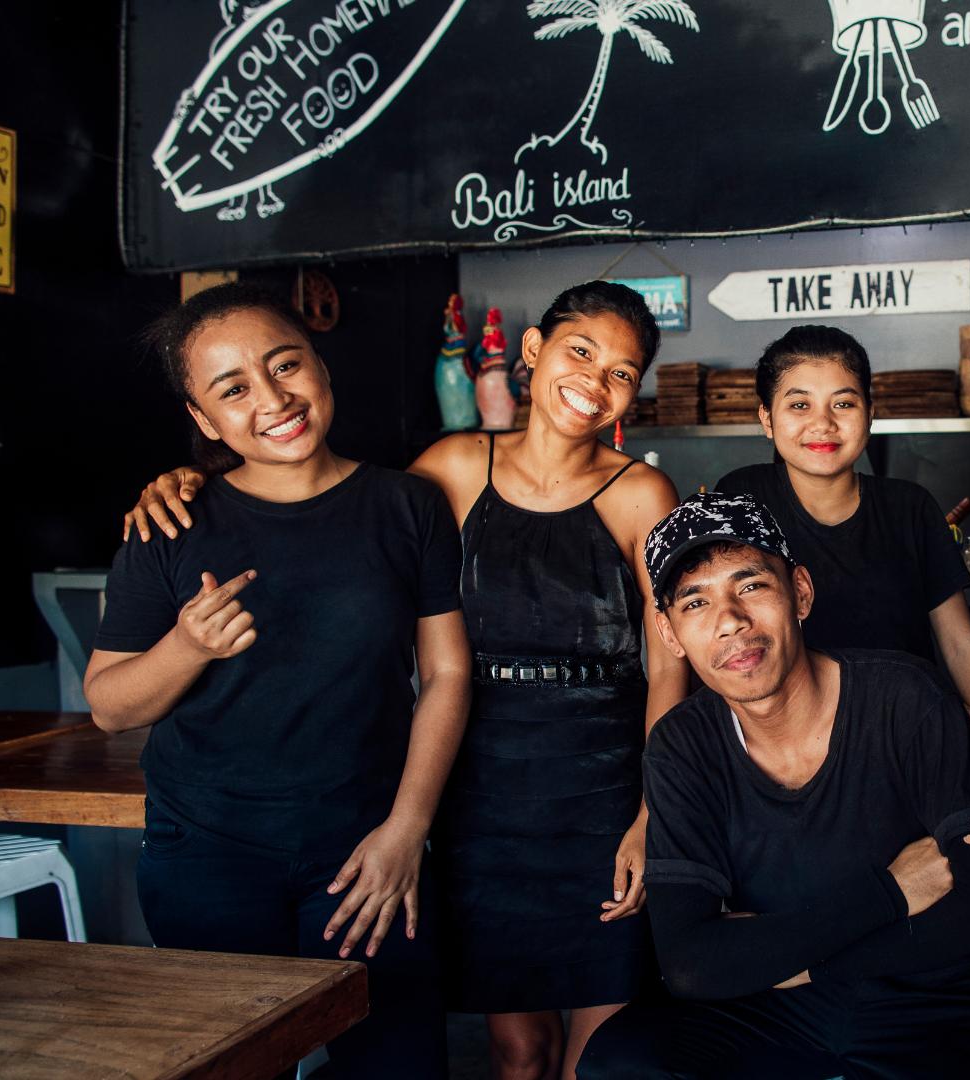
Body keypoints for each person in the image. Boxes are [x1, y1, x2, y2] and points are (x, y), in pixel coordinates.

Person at [119, 281, 689, 1080]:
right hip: (482, 800)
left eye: (623, 372)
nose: (596, 381)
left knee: (605, 1053)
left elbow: (671, 664)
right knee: (518, 1050)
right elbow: (328, 503)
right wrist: (188, 479)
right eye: (580, 352)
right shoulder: (448, 471)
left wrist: (651, 810)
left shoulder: (643, 492)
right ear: (532, 351)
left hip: (600, 795)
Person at [84, 283, 471, 1078]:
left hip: (367, 850)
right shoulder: (172, 524)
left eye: (284, 365)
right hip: (208, 856)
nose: (272, 398)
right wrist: (186, 647)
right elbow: (107, 706)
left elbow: (446, 673)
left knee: (396, 1064)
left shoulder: (407, 506)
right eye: (233, 389)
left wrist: (406, 831)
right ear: (204, 421)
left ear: (320, 365)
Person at [578, 492, 970, 1079]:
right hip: (771, 1005)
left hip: (929, 997)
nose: (731, 620)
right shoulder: (682, 746)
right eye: (696, 602)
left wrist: (789, 957)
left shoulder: (906, 698)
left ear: (801, 593)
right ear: (669, 633)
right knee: (619, 1063)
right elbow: (690, 965)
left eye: (752, 586)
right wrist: (890, 892)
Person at [715, 324, 970, 873]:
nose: (823, 423)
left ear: (870, 411)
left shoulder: (910, 508)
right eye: (798, 404)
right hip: (786, 769)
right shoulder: (741, 501)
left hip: (909, 756)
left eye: (844, 402)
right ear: (766, 419)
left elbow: (960, 645)